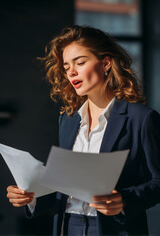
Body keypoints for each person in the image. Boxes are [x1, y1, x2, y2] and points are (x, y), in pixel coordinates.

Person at [7, 25, 160, 236]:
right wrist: (31, 197)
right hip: (67, 227)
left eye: (80, 62)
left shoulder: (141, 119)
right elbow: (65, 188)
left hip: (116, 229)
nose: (71, 72)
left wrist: (125, 200)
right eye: (67, 65)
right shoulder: (68, 120)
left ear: (106, 63)